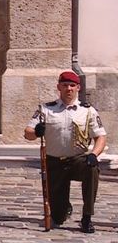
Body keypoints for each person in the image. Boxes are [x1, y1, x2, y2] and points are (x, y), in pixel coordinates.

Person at [24, 71, 106, 233]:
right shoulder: (46, 109)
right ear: (58, 87)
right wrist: (37, 131)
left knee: (92, 169)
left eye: (72, 85)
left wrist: (93, 155)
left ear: (78, 88)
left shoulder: (88, 111)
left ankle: (87, 217)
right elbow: (27, 133)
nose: (68, 89)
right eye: (65, 85)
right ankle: (63, 208)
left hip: (77, 160)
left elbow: (101, 137)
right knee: (58, 217)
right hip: (54, 163)